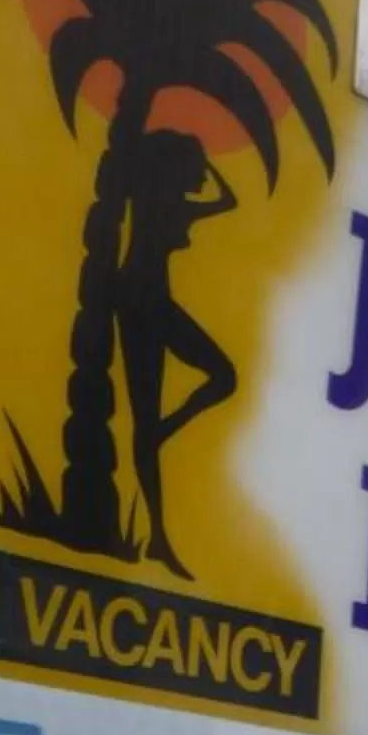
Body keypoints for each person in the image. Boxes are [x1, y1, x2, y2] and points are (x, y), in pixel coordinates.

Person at [112, 130, 238, 578]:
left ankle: (163, 432)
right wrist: (209, 166)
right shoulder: (159, 202)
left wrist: (206, 160)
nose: (200, 175)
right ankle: (159, 535)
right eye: (196, 166)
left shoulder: (158, 201)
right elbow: (228, 199)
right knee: (216, 379)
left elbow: (228, 201)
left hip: (149, 300)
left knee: (223, 377)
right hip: (140, 299)